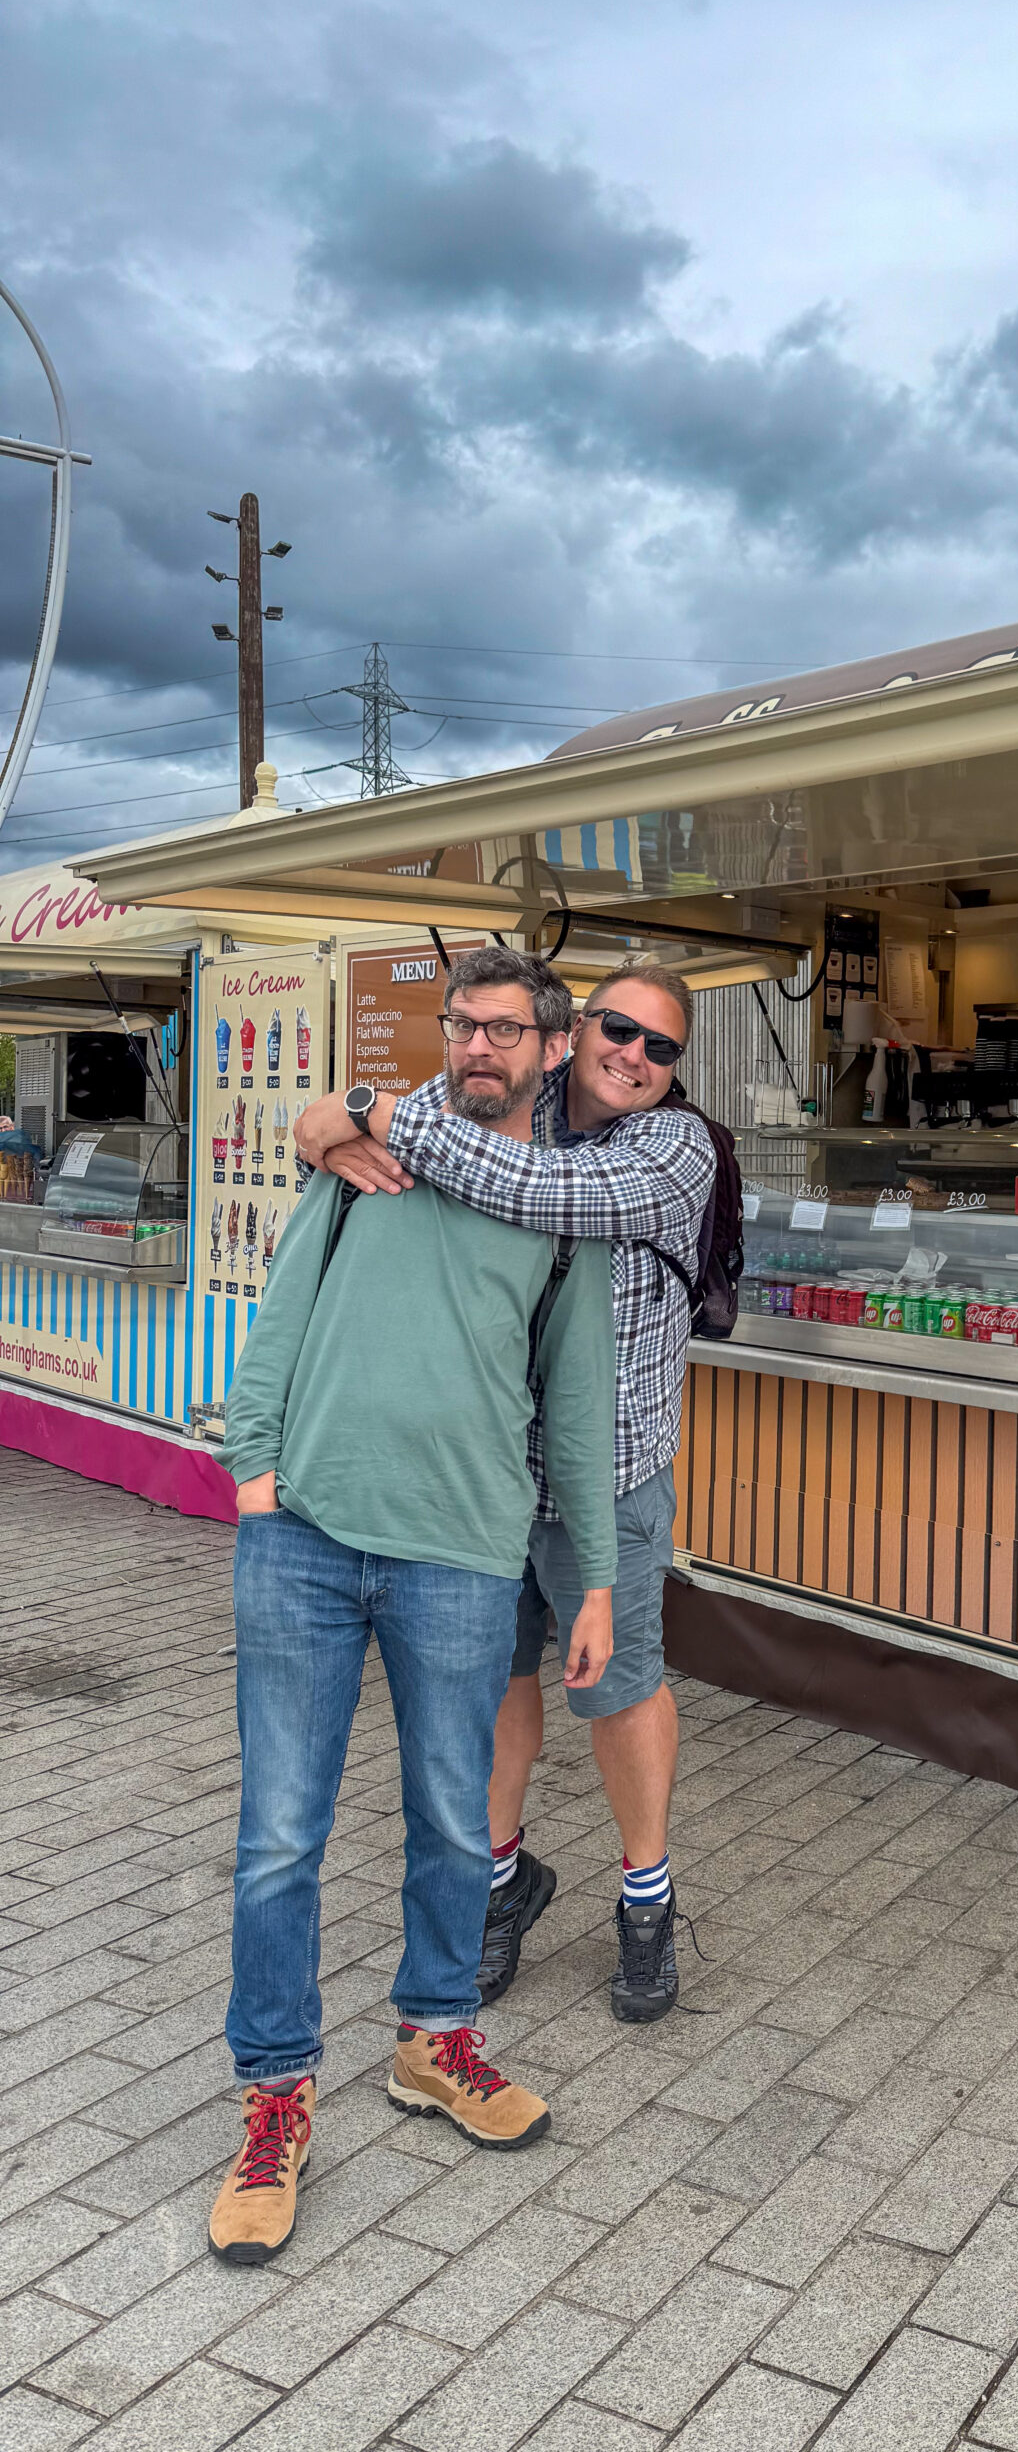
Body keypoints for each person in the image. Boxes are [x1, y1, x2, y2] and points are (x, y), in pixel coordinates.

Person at [209, 948, 618, 2266]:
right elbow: (274, 1326)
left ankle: (435, 2044)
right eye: (464, 1022)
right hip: (306, 1544)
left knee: (455, 1820)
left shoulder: (563, 1213)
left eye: (507, 1028)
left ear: (553, 1053)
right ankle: (276, 2094)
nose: (481, 1044)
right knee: (280, 1834)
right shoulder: (357, 1164)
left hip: (462, 1557)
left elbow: (575, 1415)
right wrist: (257, 1480)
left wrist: (596, 1577)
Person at [294, 960, 715, 2028]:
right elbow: (330, 1140)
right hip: (475, 1469)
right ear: (574, 1033)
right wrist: (333, 1115)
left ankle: (647, 1892)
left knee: (617, 1688)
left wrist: (366, 1109)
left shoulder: (675, 1147)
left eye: (662, 1047)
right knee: (492, 1684)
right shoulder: (475, 1101)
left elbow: (546, 1194)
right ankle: (502, 1879)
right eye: (621, 1029)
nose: (637, 1055)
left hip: (603, 1478)